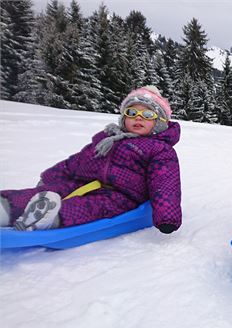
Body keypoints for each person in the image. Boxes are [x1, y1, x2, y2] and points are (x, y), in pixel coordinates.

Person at [0, 86, 182, 234]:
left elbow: (165, 183)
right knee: (53, 190)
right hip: (85, 182)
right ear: (123, 117)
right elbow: (78, 161)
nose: (138, 118)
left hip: (121, 195)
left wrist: (167, 217)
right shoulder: (107, 138)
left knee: (91, 207)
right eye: (132, 112)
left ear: (159, 123)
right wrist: (50, 177)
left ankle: (51, 216)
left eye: (147, 115)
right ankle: (7, 207)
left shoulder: (159, 149)